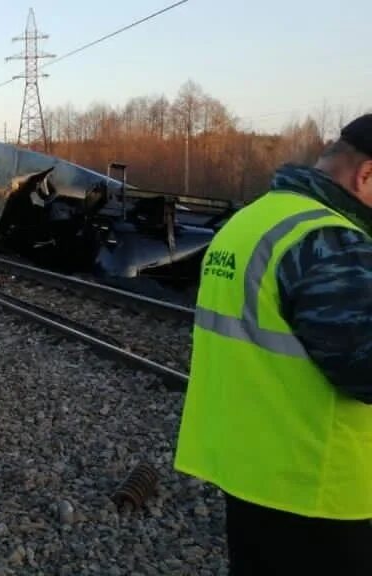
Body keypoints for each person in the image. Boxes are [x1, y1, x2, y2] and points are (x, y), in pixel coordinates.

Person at [174, 114, 372, 575]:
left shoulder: (254, 220)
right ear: (366, 175)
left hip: (251, 476)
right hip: (323, 492)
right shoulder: (331, 242)